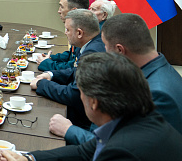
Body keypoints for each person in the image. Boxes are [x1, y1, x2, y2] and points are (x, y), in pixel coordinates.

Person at [0, 52, 182, 161]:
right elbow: (82, 153)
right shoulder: (135, 119)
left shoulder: (124, 156)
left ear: (93, 102)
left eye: (81, 93)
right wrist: (28, 160)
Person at [49, 13, 182, 144]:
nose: (104, 52)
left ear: (119, 50)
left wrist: (69, 130)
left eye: (105, 47)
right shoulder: (153, 69)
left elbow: (128, 147)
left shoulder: (157, 94)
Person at [31, 9, 104, 128]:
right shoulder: (93, 44)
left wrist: (42, 84)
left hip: (84, 122)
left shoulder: (92, 53)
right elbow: (76, 70)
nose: (65, 33)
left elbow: (74, 94)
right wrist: (51, 75)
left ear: (79, 33)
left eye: (68, 30)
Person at [36, 0, 90, 71]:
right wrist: (50, 57)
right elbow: (71, 56)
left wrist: (46, 63)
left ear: (73, 11)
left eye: (61, 7)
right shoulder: (77, 27)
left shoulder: (83, 32)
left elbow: (72, 67)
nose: (59, 11)